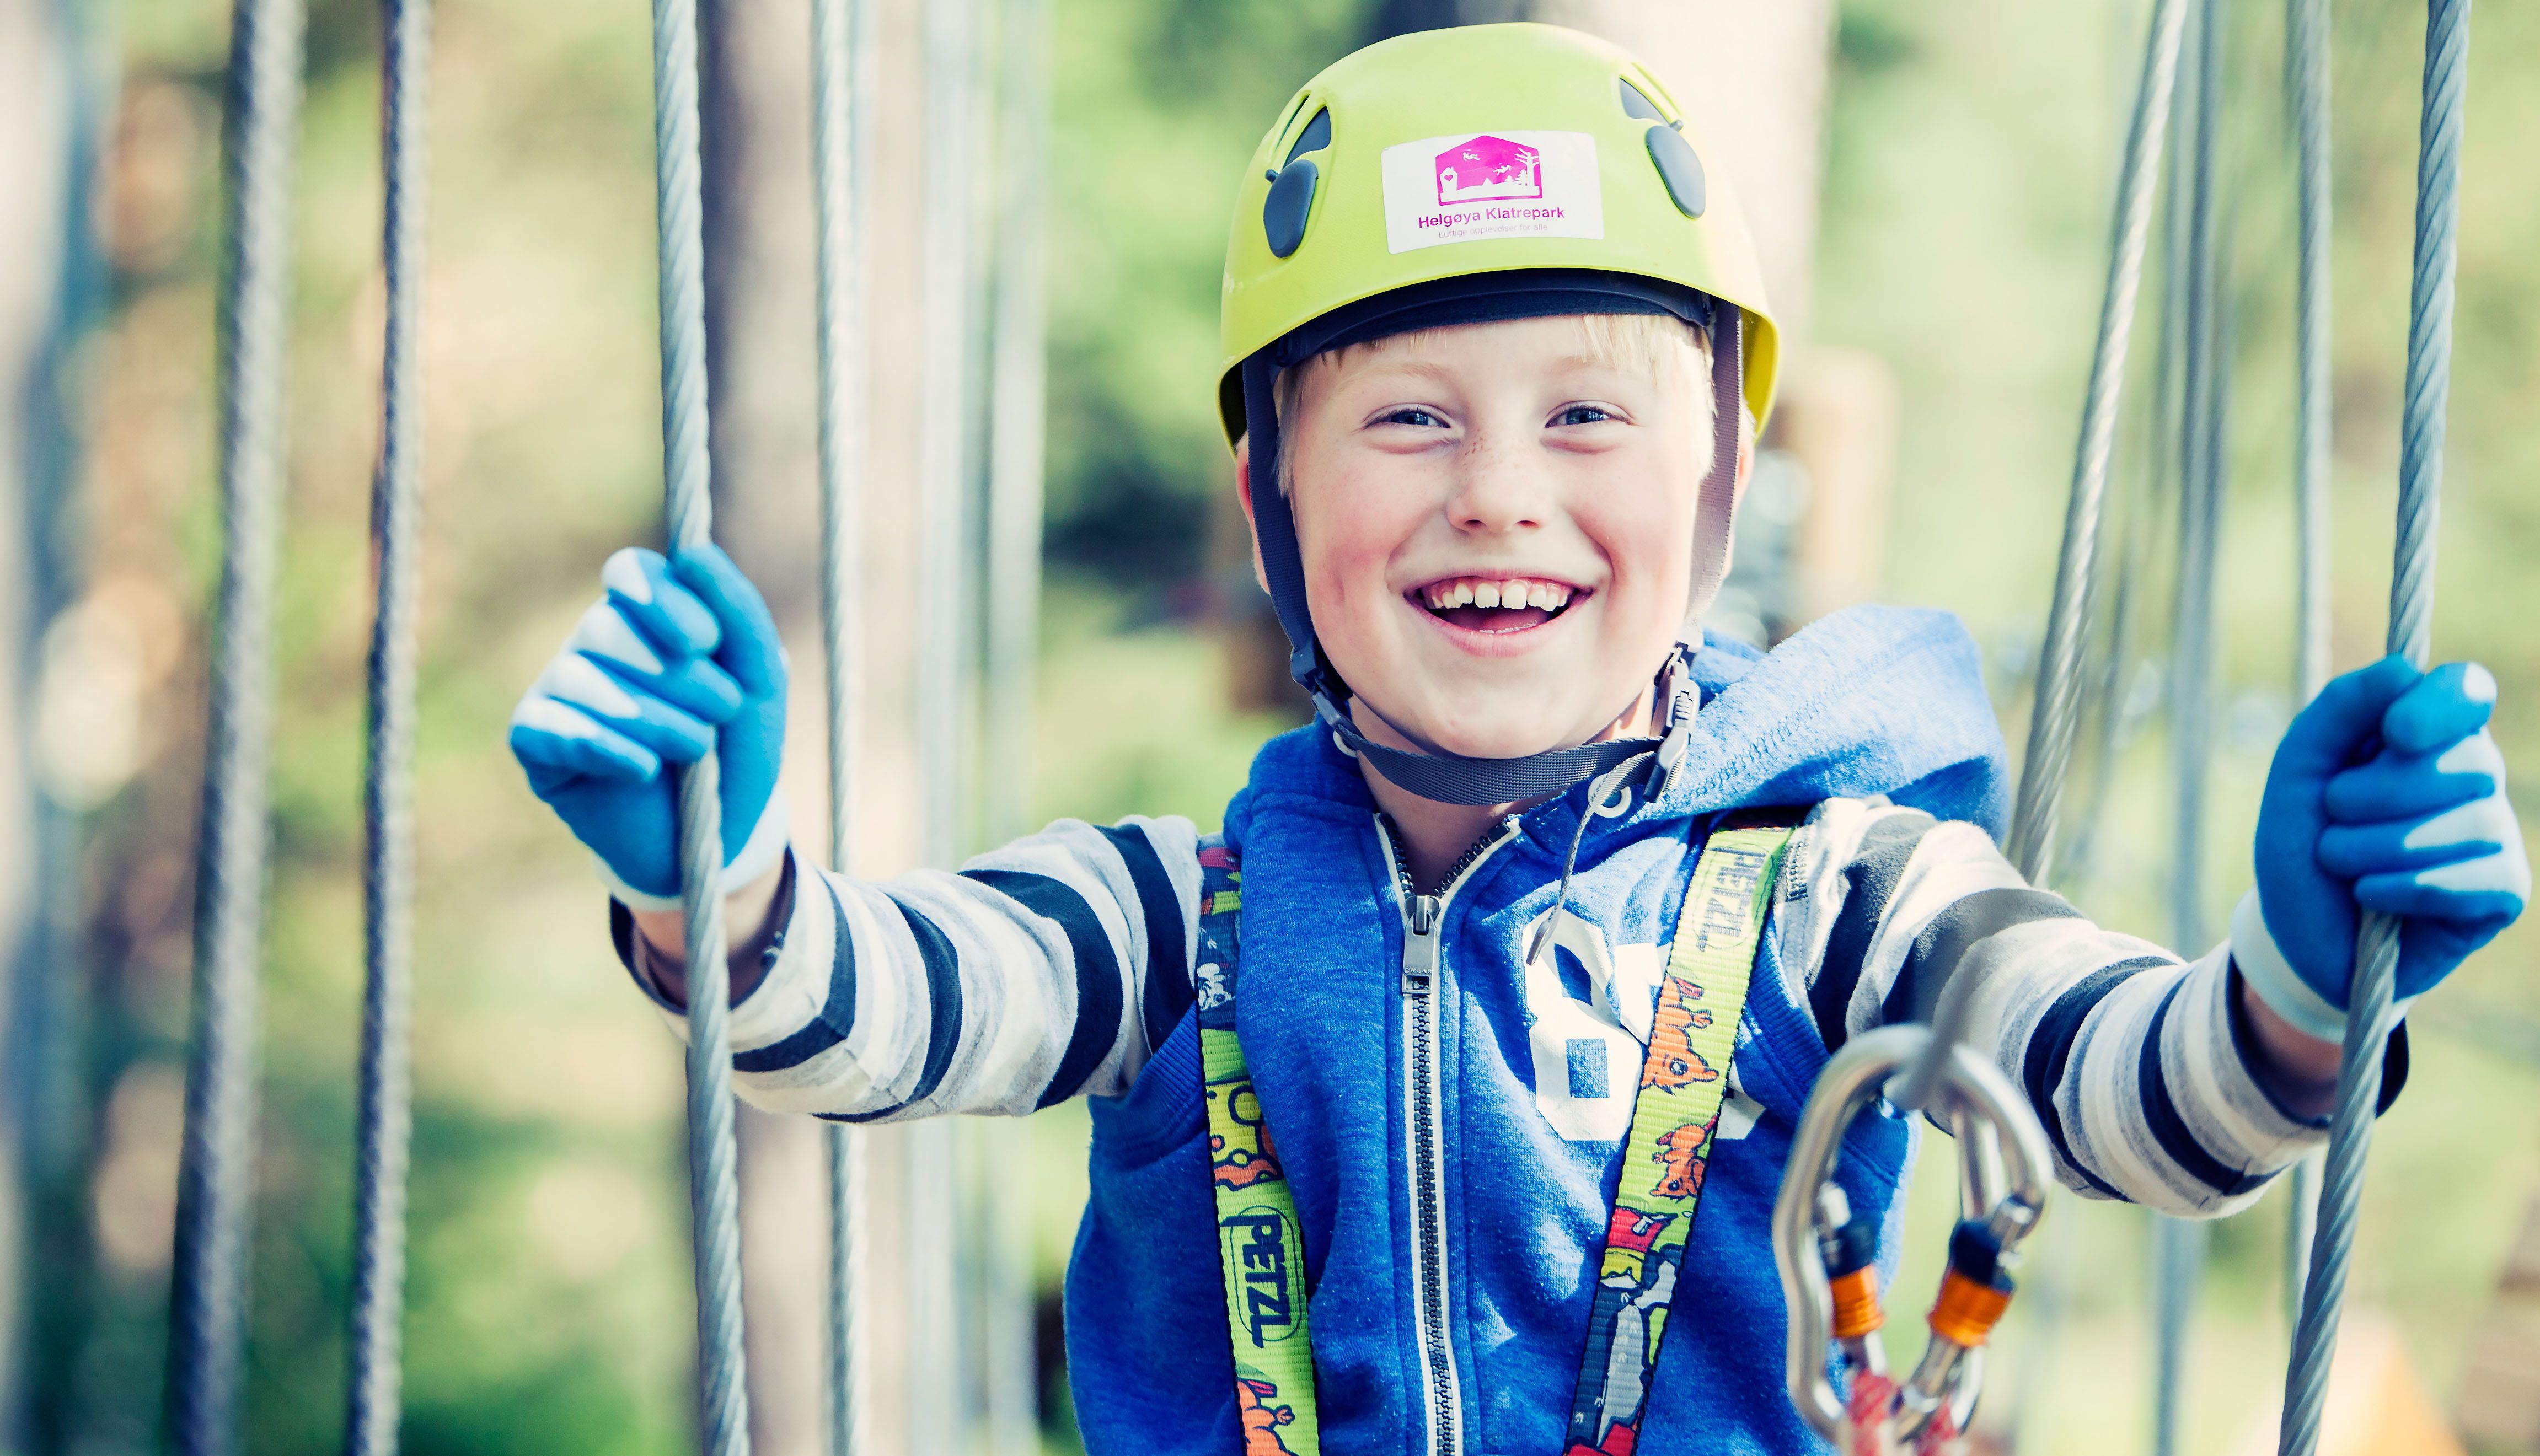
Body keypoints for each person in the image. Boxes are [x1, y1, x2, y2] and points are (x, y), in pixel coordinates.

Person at [507, 24, 2528, 1456]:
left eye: (1588, 416)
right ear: (1270, 507)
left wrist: (2287, 986)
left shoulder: (1846, 883)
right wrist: (719, 877)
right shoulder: (1176, 914)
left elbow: (2115, 1087)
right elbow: (886, 1006)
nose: (1499, 494)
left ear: (1720, 494)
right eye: (1407, 418)